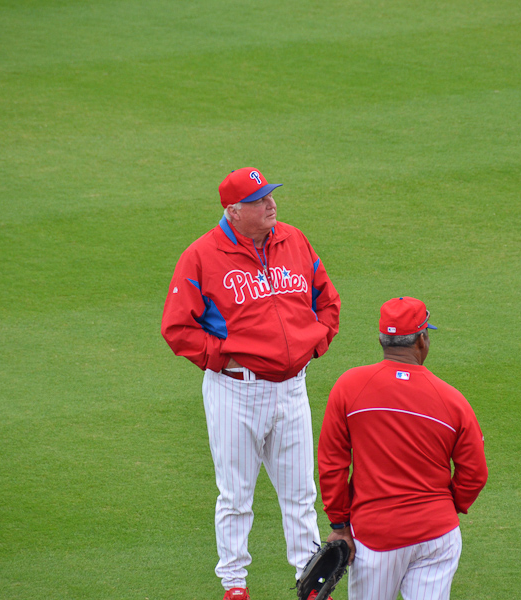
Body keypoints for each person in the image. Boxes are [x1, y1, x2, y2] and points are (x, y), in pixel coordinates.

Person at [161, 168, 341, 600]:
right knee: (236, 495)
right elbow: (177, 328)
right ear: (233, 211)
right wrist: (223, 357)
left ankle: (310, 579)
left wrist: (312, 346)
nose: (271, 205)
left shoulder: (293, 240)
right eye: (259, 201)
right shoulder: (202, 256)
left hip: (292, 388)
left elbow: (327, 301)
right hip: (234, 391)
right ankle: (235, 585)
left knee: (300, 493)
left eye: (270, 197)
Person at [318, 296, 488, 600]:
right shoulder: (453, 401)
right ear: (422, 340)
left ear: (382, 341)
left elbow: (333, 463)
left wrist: (340, 524)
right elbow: (474, 473)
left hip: (375, 537)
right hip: (436, 536)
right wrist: (447, 506)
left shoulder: (348, 387)